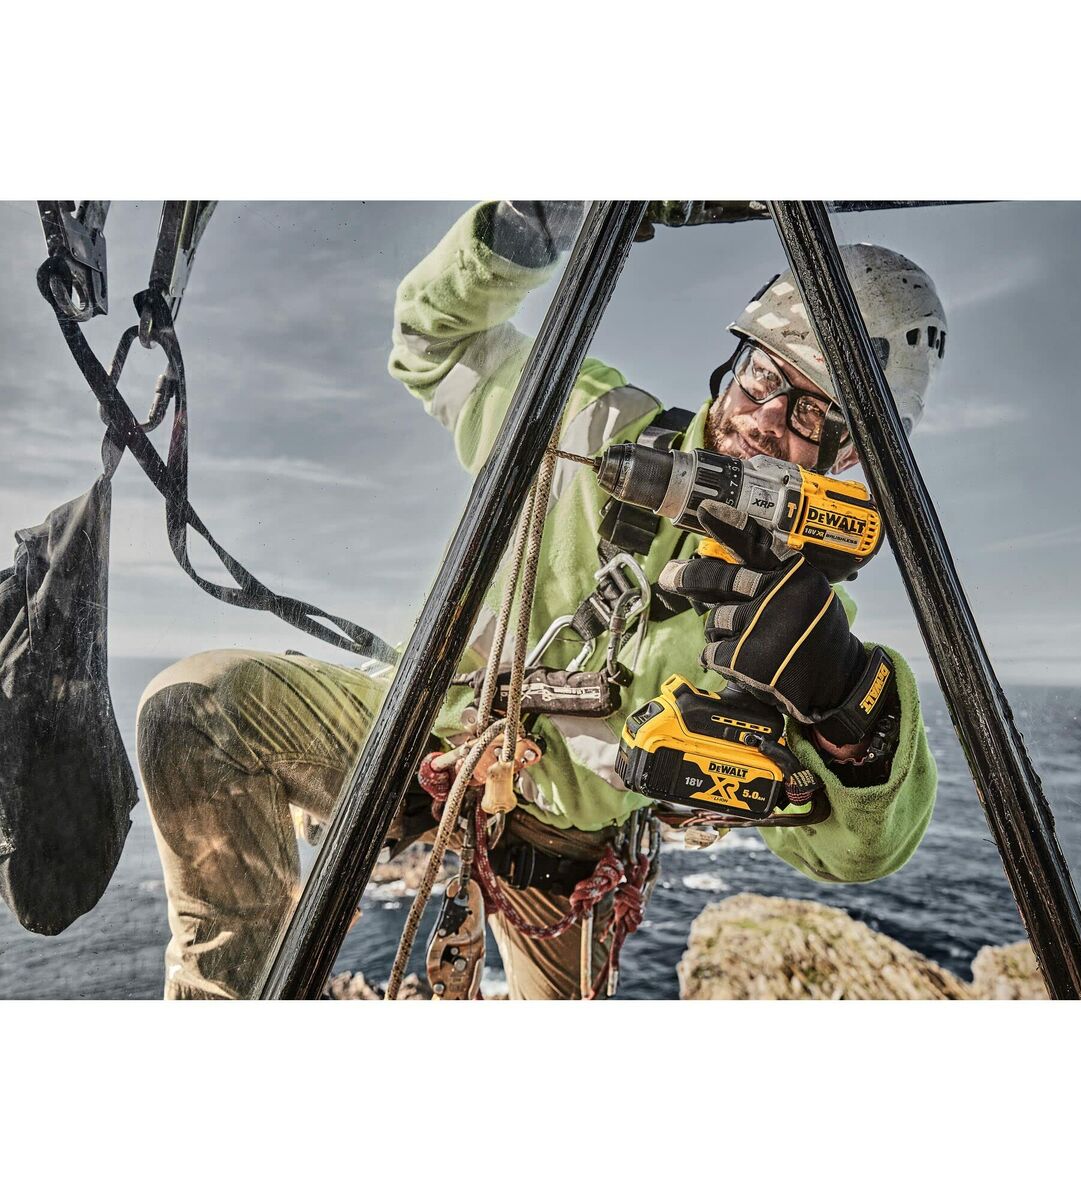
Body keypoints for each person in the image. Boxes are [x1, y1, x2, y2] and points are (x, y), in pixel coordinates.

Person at [136, 200, 946, 1000]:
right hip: (424, 738)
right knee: (197, 709)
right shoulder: (586, 422)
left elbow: (853, 853)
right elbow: (432, 341)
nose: (764, 419)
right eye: (763, 375)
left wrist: (849, 718)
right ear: (734, 364)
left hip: (562, 859)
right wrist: (531, 223)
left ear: (852, 454)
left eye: (811, 411)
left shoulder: (798, 630)